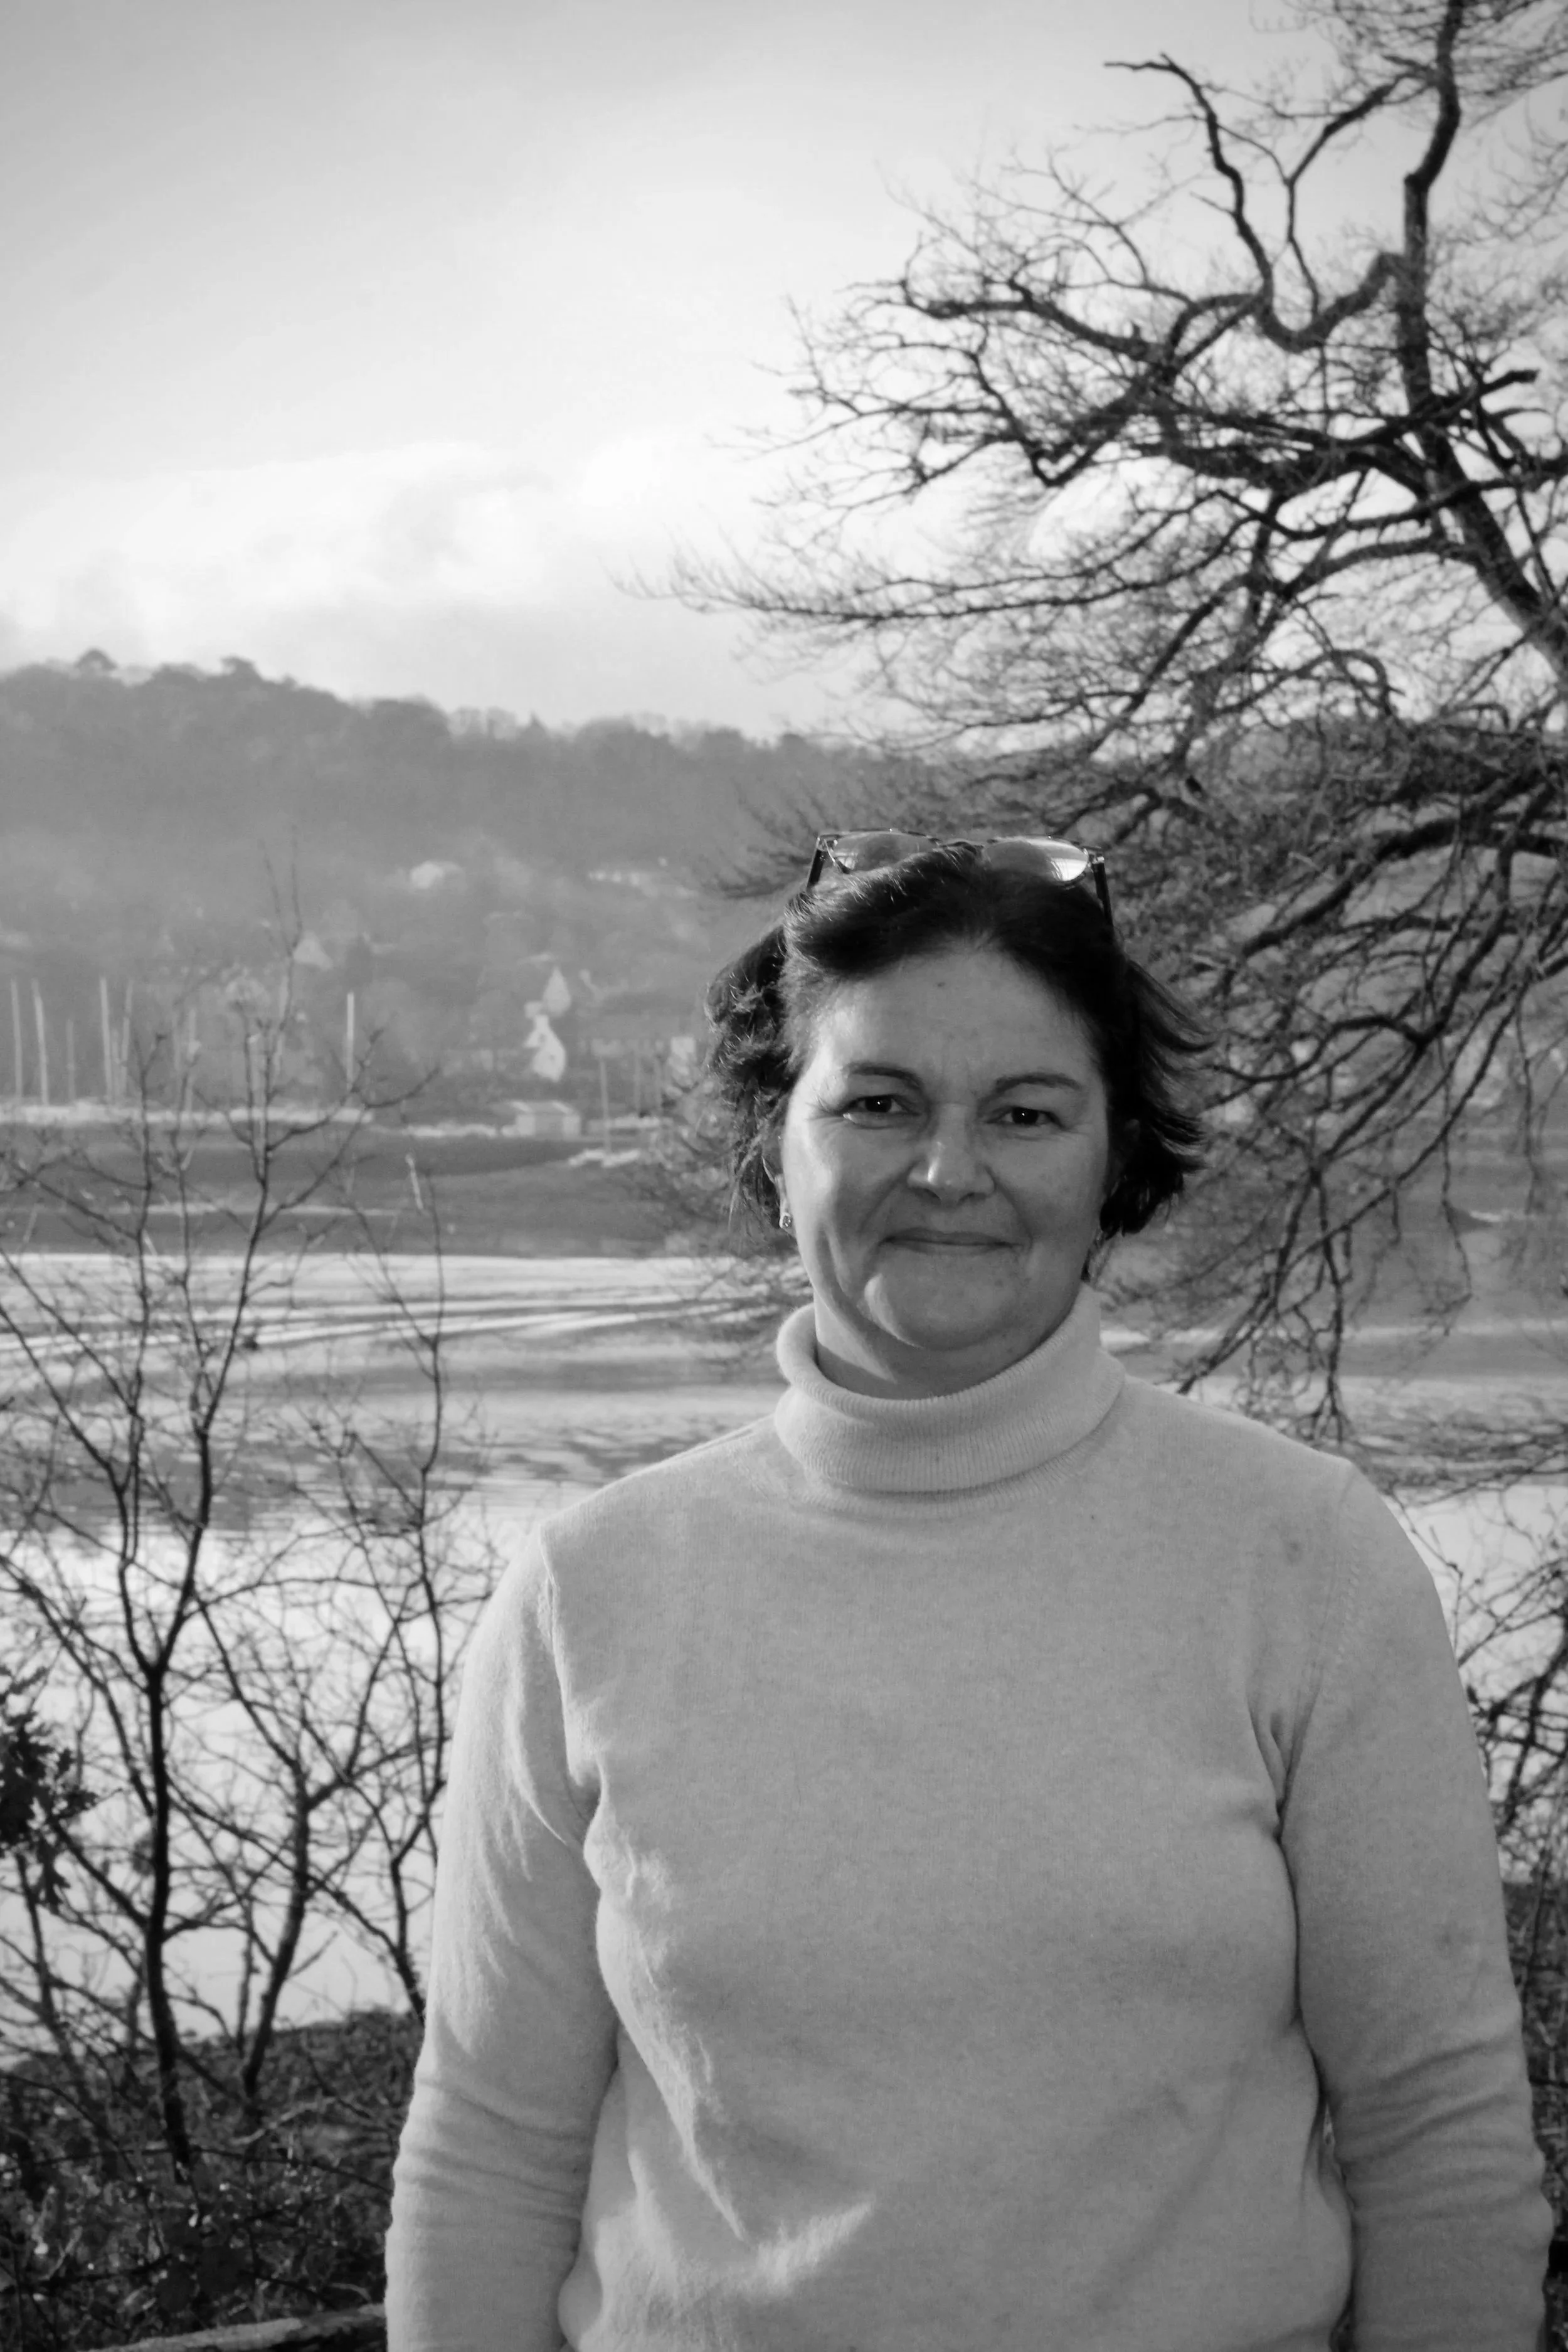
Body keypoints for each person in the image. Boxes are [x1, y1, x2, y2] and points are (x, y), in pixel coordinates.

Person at [386, 832, 1554, 2351]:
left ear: (1114, 1154)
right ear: (773, 1142)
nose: (948, 1171)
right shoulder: (585, 1595)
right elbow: (488, 2155)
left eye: (1024, 1111)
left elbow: (1437, 2142)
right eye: (875, 1103)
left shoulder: (1304, 1560)